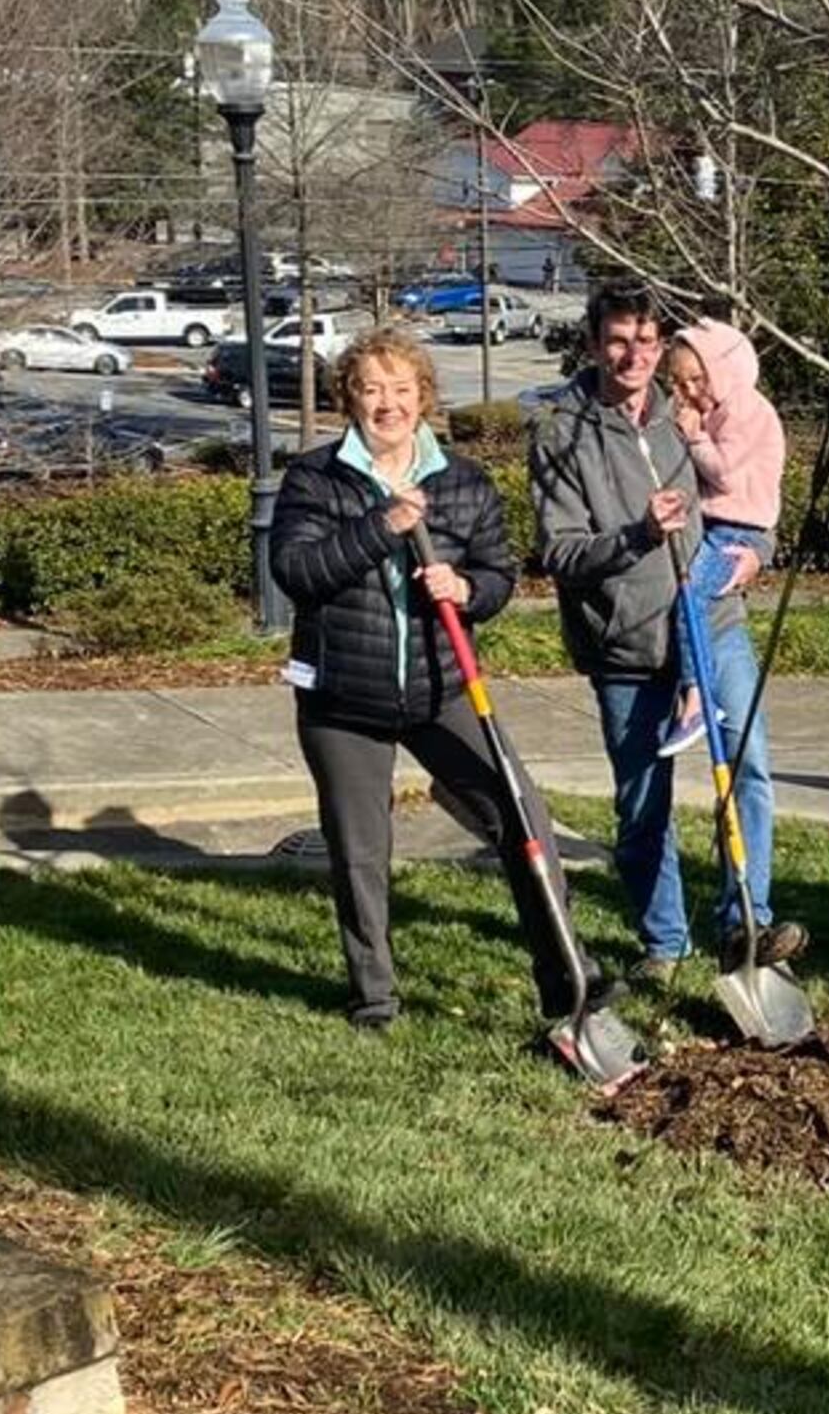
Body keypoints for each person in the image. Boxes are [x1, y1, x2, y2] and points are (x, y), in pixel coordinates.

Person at [269, 328, 594, 1032]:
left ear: (423, 396)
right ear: (348, 398)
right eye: (370, 389)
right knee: (361, 854)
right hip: (342, 699)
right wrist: (383, 525)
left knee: (522, 819)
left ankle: (568, 976)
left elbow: (500, 574)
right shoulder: (316, 478)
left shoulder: (462, 481)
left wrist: (468, 588)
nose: (387, 404)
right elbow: (296, 573)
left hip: (441, 688)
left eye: (401, 389)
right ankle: (375, 1000)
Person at [532, 286, 801, 985]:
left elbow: (745, 503)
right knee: (643, 803)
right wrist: (637, 536)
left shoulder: (683, 414)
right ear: (593, 342)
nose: (634, 356)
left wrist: (759, 553)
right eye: (619, 340)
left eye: (647, 342)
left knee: (749, 771)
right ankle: (666, 944)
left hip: (713, 627)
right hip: (624, 643)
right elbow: (559, 551)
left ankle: (746, 925)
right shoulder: (564, 431)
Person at [657, 322, 780, 760]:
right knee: (692, 596)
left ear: (721, 370)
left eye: (698, 378)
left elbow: (725, 472)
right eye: (681, 381)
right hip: (721, 527)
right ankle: (698, 693)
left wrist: (693, 436)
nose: (690, 391)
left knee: (691, 594)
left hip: (737, 530)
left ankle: (697, 697)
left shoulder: (745, 409)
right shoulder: (713, 410)